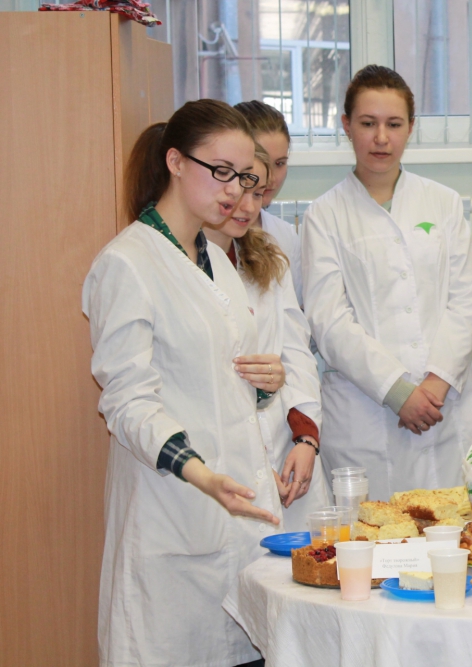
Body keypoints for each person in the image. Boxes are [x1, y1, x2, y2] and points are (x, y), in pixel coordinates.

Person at [83, 99, 286, 666]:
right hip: (174, 516)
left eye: (244, 177)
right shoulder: (128, 263)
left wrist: (267, 382)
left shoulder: (215, 261)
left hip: (237, 525)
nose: (234, 190)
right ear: (175, 162)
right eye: (220, 171)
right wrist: (201, 474)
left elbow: (216, 381)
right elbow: (127, 402)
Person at [301, 65, 472, 501]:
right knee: (373, 533)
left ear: (411, 128)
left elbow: (468, 300)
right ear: (346, 126)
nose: (381, 138)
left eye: (394, 124)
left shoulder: (442, 203)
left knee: (453, 528)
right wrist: (399, 392)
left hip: (443, 406)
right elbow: (329, 320)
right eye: (368, 123)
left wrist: (435, 384)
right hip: (365, 413)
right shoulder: (324, 215)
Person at [202, 146, 330, 530]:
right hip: (222, 462)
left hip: (287, 448)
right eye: (241, 191)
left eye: (258, 194)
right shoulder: (183, 267)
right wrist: (250, 463)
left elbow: (296, 353)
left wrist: (306, 439)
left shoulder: (268, 257)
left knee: (309, 559)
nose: (248, 206)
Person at [234, 100, 303, 306]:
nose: (270, 178)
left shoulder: (284, 235)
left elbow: (296, 311)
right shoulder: (211, 234)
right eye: (261, 162)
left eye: (280, 163)